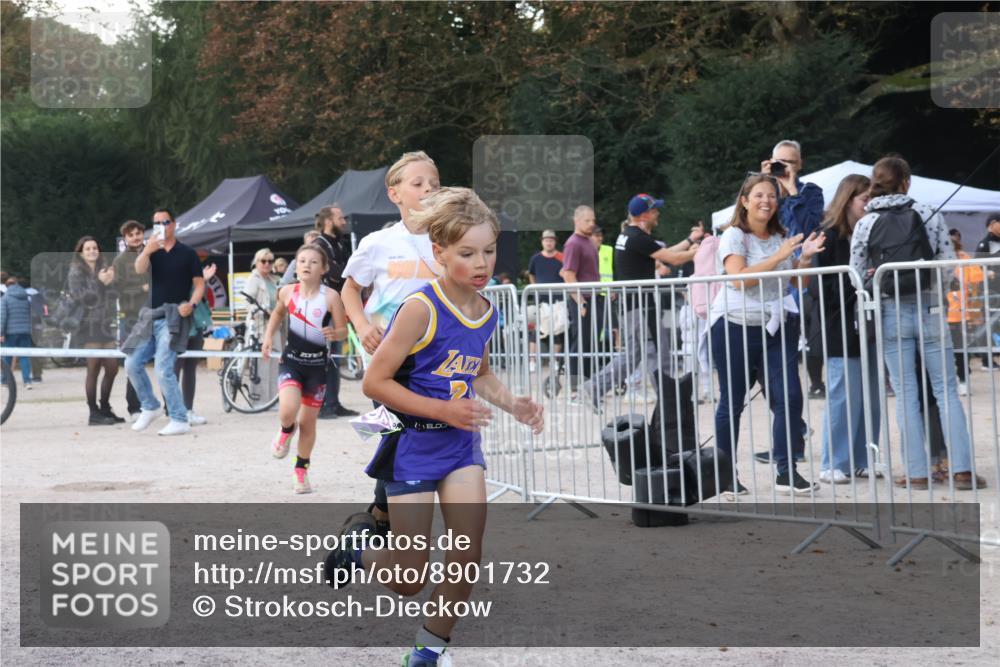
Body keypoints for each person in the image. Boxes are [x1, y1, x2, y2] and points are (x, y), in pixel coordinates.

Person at [326, 187, 543, 667]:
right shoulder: (420, 309)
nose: (481, 263)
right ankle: (356, 551)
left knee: (466, 554)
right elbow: (374, 383)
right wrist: (443, 410)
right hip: (411, 448)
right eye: (467, 253)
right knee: (409, 579)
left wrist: (515, 405)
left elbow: (478, 372)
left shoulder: (487, 311)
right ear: (439, 252)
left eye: (488, 251)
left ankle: (427, 652)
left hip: (461, 450)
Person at [850, 156, 984, 490]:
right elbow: (948, 264)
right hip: (931, 309)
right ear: (907, 181)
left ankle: (917, 472)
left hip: (890, 312)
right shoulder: (929, 213)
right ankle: (963, 470)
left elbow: (856, 273)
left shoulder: (866, 223)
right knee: (946, 391)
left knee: (906, 393)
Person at [341, 150, 442, 534]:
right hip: (388, 362)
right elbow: (350, 289)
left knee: (404, 434)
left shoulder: (448, 240)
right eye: (417, 184)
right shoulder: (378, 243)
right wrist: (362, 325)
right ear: (394, 194)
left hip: (436, 361)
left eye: (433, 184)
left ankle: (376, 515)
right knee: (404, 431)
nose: (427, 190)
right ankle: (382, 516)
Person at [710, 174, 825, 496]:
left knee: (788, 396)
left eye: (772, 196)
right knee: (731, 403)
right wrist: (780, 256)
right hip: (734, 326)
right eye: (759, 195)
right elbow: (738, 280)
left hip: (776, 327)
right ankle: (724, 474)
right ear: (744, 201)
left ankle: (786, 471)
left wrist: (804, 258)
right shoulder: (733, 236)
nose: (766, 201)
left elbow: (796, 284)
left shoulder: (782, 236)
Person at [579, 193, 701, 407]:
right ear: (644, 215)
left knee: (636, 353)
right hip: (640, 305)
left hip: (634, 304)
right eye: (654, 210)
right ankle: (668, 397)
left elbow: (664, 253)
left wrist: (690, 242)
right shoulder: (637, 238)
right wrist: (698, 252)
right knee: (656, 350)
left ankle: (595, 387)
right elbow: (671, 258)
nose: (658, 214)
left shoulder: (632, 235)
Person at [812, 174, 881, 483]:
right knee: (843, 394)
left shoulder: (872, 232)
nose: (868, 204)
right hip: (839, 324)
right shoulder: (826, 235)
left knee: (871, 395)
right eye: (864, 198)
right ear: (848, 199)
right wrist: (856, 279)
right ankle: (833, 462)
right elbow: (819, 288)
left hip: (870, 324)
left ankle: (863, 458)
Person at [262, 244, 347, 494]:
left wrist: (335, 332)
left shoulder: (331, 296)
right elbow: (277, 315)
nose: (306, 265)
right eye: (301, 261)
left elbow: (343, 328)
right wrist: (268, 337)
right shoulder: (287, 292)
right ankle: (286, 430)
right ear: (295, 267)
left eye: (312, 261)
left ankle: (301, 469)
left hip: (317, 367)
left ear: (324, 268)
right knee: (288, 410)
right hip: (292, 361)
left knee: (308, 423)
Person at [124, 207, 205, 436]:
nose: (162, 226)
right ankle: (150, 406)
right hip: (150, 316)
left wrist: (192, 304)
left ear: (174, 224)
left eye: (165, 221)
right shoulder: (152, 251)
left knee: (163, 369)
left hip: (174, 318)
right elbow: (139, 270)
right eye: (157, 223)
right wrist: (147, 250)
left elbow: (199, 284)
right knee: (131, 364)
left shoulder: (188, 253)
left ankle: (179, 418)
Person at [762, 140, 826, 397]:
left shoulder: (811, 192)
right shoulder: (763, 194)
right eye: (780, 162)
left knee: (808, 329)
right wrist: (765, 184)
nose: (784, 167)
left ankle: (813, 383)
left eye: (790, 162)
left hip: (804, 270)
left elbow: (809, 229)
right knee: (775, 338)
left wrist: (792, 190)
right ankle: (780, 391)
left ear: (800, 164)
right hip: (773, 271)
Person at [68, 237, 123, 425]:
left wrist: (111, 281)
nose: (92, 251)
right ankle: (93, 413)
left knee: (113, 368)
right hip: (87, 325)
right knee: (93, 368)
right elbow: (82, 297)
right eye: (88, 248)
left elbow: (113, 294)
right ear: (81, 252)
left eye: (95, 248)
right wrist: (99, 282)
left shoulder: (104, 268)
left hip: (105, 324)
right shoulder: (76, 271)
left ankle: (105, 407)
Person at [313, 205, 359, 420]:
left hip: (339, 305)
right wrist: (350, 274)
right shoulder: (318, 245)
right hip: (322, 308)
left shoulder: (339, 244)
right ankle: (321, 404)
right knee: (324, 357)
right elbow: (333, 272)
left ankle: (333, 402)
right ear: (329, 221)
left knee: (336, 356)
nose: (344, 221)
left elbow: (345, 270)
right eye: (340, 218)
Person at [113, 220, 151, 419]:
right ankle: (134, 407)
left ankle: (170, 407)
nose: (136, 237)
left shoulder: (154, 254)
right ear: (125, 238)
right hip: (131, 318)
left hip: (156, 314)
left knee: (165, 365)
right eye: (131, 234)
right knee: (133, 363)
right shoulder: (120, 261)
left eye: (138, 233)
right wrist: (141, 289)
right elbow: (117, 290)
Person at [946, 231, 986, 396]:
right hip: (942, 313)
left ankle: (963, 379)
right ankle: (953, 379)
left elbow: (976, 284)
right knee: (946, 350)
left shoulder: (965, 259)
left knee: (961, 349)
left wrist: (976, 313)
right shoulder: (938, 259)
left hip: (962, 313)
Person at [526, 229, 565, 371]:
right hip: (541, 300)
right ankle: (532, 361)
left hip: (558, 299)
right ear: (542, 242)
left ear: (555, 241)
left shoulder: (562, 257)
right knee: (536, 330)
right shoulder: (536, 258)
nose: (548, 243)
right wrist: (535, 288)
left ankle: (554, 360)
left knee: (557, 330)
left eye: (551, 240)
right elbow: (531, 274)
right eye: (546, 240)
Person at [1, 275, 34, 391]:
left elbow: (2, 317)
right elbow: (30, 315)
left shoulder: (5, 298)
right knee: (24, 356)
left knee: (7, 357)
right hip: (25, 331)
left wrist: (1, 333)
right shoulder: (26, 297)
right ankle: (27, 382)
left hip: (10, 332)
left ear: (7, 286)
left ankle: (5, 381)